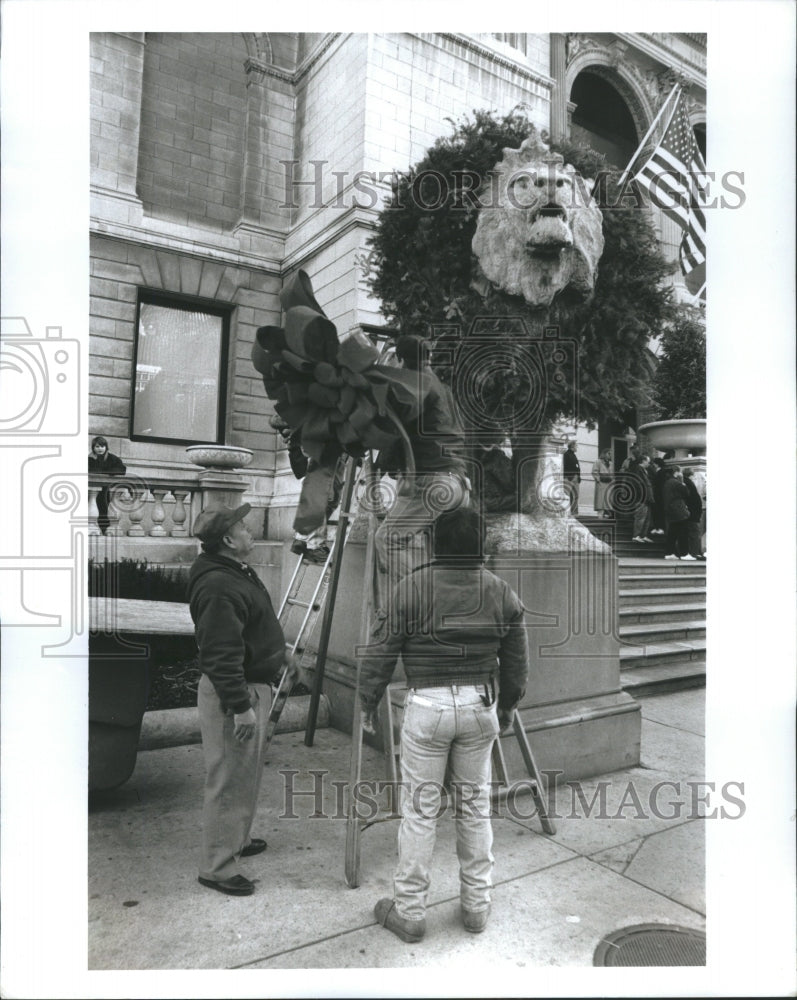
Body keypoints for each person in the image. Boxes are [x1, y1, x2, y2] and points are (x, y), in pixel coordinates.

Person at [359, 507, 529, 943]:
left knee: (420, 811)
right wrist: (508, 705)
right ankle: (476, 906)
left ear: (433, 544)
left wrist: (366, 700)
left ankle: (410, 911)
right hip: (480, 704)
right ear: (481, 546)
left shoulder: (410, 587)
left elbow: (381, 649)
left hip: (427, 705)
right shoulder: (501, 591)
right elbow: (515, 661)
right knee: (474, 806)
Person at [188, 503, 295, 896]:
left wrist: (280, 652)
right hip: (235, 693)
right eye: (245, 528)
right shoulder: (219, 585)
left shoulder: (235, 571)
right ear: (229, 540)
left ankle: (235, 840)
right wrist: (241, 706)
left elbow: (252, 623)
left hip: (250, 686)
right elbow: (220, 654)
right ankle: (216, 867)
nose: (252, 532)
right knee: (228, 779)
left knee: (243, 774)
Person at [373, 335, 470, 608]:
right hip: (458, 484)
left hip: (434, 482)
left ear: (402, 360)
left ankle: (420, 608)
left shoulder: (414, 385)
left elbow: (397, 427)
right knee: (437, 558)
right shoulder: (443, 388)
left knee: (387, 540)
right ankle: (437, 610)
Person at [88, 435, 127, 534]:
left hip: (107, 490)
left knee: (105, 510)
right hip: (92, 490)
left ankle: (104, 529)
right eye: (97, 446)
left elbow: (122, 469)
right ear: (93, 448)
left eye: (102, 446)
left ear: (106, 447)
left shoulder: (112, 458)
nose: (100, 449)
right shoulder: (89, 459)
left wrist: (108, 471)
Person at [662, 466, 691, 560]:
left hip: (670, 509)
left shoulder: (667, 482)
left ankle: (669, 553)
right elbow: (687, 493)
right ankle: (684, 553)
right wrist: (682, 481)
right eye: (680, 472)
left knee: (672, 532)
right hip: (679, 510)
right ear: (677, 472)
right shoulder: (677, 482)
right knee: (683, 532)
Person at [629, 454, 654, 544]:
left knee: (646, 518)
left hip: (647, 498)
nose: (649, 463)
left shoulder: (644, 470)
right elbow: (637, 484)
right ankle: (636, 535)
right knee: (640, 517)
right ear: (643, 461)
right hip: (642, 498)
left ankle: (643, 535)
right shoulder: (638, 469)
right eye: (648, 461)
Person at [682, 469, 705, 560]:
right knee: (694, 533)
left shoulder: (685, 482)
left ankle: (695, 552)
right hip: (692, 513)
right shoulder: (688, 483)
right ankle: (694, 553)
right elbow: (692, 498)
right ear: (691, 475)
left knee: (693, 532)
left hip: (691, 512)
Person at [591, 449, 613, 518]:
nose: (610, 455)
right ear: (604, 453)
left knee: (607, 500)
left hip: (608, 483)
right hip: (601, 483)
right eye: (609, 453)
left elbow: (612, 473)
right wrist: (598, 479)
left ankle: (606, 514)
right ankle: (600, 515)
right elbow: (594, 471)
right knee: (600, 501)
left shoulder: (610, 463)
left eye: (610, 454)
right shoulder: (598, 462)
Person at [649, 457, 667, 535]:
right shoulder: (657, 471)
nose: (653, 465)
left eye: (654, 463)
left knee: (660, 511)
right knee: (655, 511)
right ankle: (657, 527)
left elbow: (661, 485)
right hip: (656, 495)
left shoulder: (662, 472)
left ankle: (661, 528)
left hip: (659, 495)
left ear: (657, 464)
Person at [562, 440, 581, 514]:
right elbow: (564, 466)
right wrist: (567, 476)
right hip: (569, 478)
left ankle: (574, 512)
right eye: (576, 446)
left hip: (576, 478)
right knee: (566, 495)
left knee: (576, 495)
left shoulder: (574, 455)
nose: (577, 447)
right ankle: (566, 512)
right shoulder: (566, 454)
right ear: (572, 446)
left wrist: (578, 477)